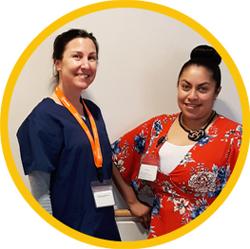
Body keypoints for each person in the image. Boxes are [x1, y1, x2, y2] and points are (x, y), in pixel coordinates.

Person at [112, 45, 242, 238]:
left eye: (203, 89)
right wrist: (133, 202)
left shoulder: (234, 136)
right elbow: (114, 155)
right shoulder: (158, 127)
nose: (192, 96)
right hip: (160, 233)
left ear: (216, 91)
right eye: (186, 86)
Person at [17, 29, 121, 241]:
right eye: (77, 56)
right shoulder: (42, 118)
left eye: (92, 58)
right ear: (57, 63)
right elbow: (41, 194)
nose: (86, 64)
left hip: (104, 226)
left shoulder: (93, 111)